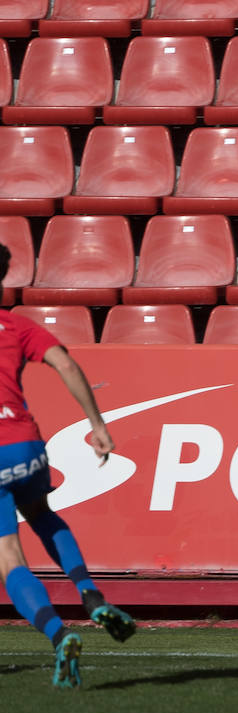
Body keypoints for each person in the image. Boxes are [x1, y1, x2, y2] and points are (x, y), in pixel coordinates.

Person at [0, 245, 137, 689]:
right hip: (25, 444)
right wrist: (97, 425)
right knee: (40, 513)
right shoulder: (17, 326)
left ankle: (60, 636)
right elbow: (66, 364)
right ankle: (88, 592)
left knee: (9, 557)